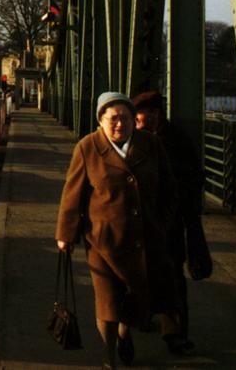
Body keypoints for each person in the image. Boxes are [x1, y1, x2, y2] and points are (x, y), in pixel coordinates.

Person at [55, 91, 178, 368]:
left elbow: (169, 188)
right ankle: (108, 358)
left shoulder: (151, 144)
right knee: (108, 304)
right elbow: (73, 194)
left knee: (135, 297)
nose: (120, 124)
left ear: (134, 120)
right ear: (100, 121)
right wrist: (65, 234)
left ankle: (124, 334)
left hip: (145, 238)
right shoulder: (88, 147)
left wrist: (161, 223)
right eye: (113, 118)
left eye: (125, 118)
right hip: (104, 241)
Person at [132, 90, 203, 354]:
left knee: (172, 275)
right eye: (144, 113)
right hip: (141, 221)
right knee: (145, 273)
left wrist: (186, 214)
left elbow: (193, 178)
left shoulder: (175, 139)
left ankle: (175, 333)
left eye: (154, 112)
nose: (149, 117)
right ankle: (145, 317)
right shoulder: (130, 140)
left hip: (167, 221)